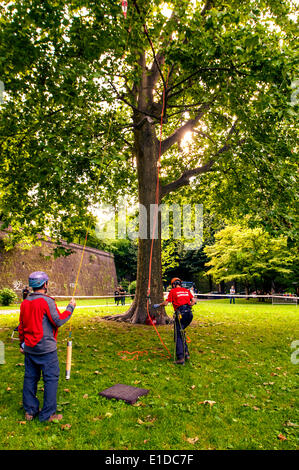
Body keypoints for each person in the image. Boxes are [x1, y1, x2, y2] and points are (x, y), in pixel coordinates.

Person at [18, 271, 76, 423]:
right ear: (45, 284)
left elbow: (21, 326)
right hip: (46, 350)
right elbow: (58, 320)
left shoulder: (25, 302)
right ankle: (47, 415)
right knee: (51, 379)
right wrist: (70, 308)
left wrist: (21, 343)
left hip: (29, 348)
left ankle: (30, 411)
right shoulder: (47, 301)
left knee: (30, 378)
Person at [153, 277, 196, 365]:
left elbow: (166, 303)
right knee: (181, 332)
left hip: (181, 315)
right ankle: (186, 353)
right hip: (189, 314)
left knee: (178, 336)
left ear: (173, 285)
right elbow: (193, 301)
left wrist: (158, 305)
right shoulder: (186, 290)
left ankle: (180, 358)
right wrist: (189, 306)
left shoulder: (173, 291)